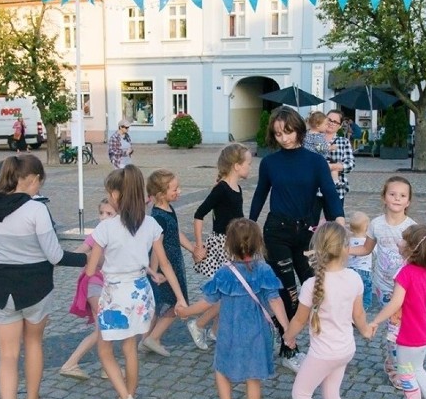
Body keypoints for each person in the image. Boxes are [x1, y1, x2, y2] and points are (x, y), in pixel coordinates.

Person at [0, 154, 88, 399]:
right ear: (33, 179)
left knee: (7, 356)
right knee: (33, 344)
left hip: (2, 288)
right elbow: (55, 255)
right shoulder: (35, 210)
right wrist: (88, 260)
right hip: (36, 287)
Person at [86, 165, 186, 399]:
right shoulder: (151, 224)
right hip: (141, 294)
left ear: (116, 195)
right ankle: (126, 397)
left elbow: (91, 269)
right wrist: (179, 298)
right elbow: (164, 263)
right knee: (130, 348)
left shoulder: (106, 227)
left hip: (115, 295)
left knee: (105, 350)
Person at [249, 106, 345, 373]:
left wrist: (339, 219)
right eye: (278, 134)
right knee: (288, 292)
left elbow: (329, 191)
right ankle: (288, 347)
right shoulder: (270, 163)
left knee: (315, 286)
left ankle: (321, 342)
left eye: (288, 132)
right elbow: (260, 194)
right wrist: (249, 222)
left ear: (299, 129)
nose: (284, 138)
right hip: (276, 232)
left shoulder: (315, 162)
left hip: (307, 234)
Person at [177, 218, 291, 399]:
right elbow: (275, 300)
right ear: (259, 243)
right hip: (258, 332)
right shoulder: (264, 269)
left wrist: (185, 311)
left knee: (221, 368)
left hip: (230, 331)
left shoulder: (224, 273)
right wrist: (287, 330)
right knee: (254, 376)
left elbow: (207, 302)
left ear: (228, 245)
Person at [283, 222, 379, 399]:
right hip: (345, 350)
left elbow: (299, 320)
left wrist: (288, 338)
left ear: (317, 250)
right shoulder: (354, 278)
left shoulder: (310, 285)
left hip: (323, 353)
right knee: (331, 394)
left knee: (301, 393)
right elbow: (359, 316)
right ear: (347, 248)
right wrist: (367, 330)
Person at [369, 224, 426, 399]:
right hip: (424, 332)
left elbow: (395, 303)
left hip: (409, 335)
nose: (399, 242)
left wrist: (376, 320)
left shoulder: (405, 273)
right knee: (419, 370)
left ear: (413, 249)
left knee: (406, 374)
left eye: (404, 240)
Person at [348, 176, 416, 389]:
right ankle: (395, 366)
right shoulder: (376, 224)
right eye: (392, 194)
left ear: (408, 202)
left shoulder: (412, 228)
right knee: (395, 328)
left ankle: (394, 363)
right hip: (383, 286)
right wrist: (343, 250)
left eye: (402, 195)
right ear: (384, 197)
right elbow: (366, 249)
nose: (397, 198)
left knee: (398, 328)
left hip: (405, 289)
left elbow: (419, 261)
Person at [188, 143, 252, 350]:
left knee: (230, 291)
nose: (250, 167)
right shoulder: (222, 189)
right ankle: (198, 324)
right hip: (220, 246)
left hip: (234, 246)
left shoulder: (237, 188)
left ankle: (215, 331)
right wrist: (199, 246)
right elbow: (199, 214)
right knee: (229, 292)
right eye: (248, 163)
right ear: (236, 166)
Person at [60, 199, 118, 379]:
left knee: (105, 330)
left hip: (106, 285)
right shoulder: (97, 235)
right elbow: (80, 251)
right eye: (101, 213)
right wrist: (58, 258)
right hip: (94, 284)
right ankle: (71, 364)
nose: (104, 217)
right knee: (103, 329)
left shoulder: (118, 233)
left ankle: (106, 366)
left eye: (109, 214)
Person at [139, 169, 195, 356]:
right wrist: (154, 272)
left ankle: (145, 340)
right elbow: (157, 247)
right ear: (161, 195)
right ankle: (153, 338)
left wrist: (192, 248)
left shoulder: (167, 209)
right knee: (175, 304)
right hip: (166, 265)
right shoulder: (158, 217)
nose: (179, 191)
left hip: (174, 261)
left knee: (159, 304)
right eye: (175, 189)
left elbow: (176, 232)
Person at [347, 211, 373, 312]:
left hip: (350, 271)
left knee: (351, 293)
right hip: (365, 271)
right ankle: (361, 312)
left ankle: (351, 311)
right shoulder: (369, 242)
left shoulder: (347, 241)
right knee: (366, 293)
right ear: (367, 228)